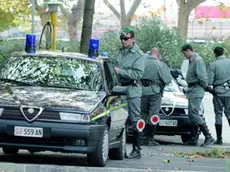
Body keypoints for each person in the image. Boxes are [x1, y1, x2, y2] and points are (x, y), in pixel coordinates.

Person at [109, 27, 145, 159]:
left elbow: (138, 74)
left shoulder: (139, 55)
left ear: (133, 39)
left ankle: (137, 150)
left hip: (132, 90)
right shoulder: (118, 52)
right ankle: (120, 149)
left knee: (134, 119)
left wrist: (120, 71)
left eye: (126, 39)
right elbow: (111, 64)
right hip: (118, 90)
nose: (123, 41)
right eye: (121, 39)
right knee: (119, 119)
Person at [181, 43, 215, 147]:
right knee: (192, 114)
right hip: (192, 89)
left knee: (194, 113)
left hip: (197, 89)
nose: (184, 55)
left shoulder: (197, 60)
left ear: (188, 50)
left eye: (184, 53)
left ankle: (208, 137)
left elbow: (202, 77)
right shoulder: (192, 61)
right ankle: (193, 138)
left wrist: (206, 87)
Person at [141, 47, 171, 146]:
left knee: (142, 114)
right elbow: (167, 79)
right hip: (155, 92)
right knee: (153, 115)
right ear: (158, 55)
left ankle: (141, 137)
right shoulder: (160, 64)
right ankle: (150, 138)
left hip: (142, 91)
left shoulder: (142, 62)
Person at [207, 46, 230, 145]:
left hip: (217, 93)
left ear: (215, 54)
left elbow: (209, 81)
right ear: (224, 52)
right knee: (229, 114)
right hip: (229, 92)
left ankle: (219, 139)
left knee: (218, 115)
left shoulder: (213, 65)